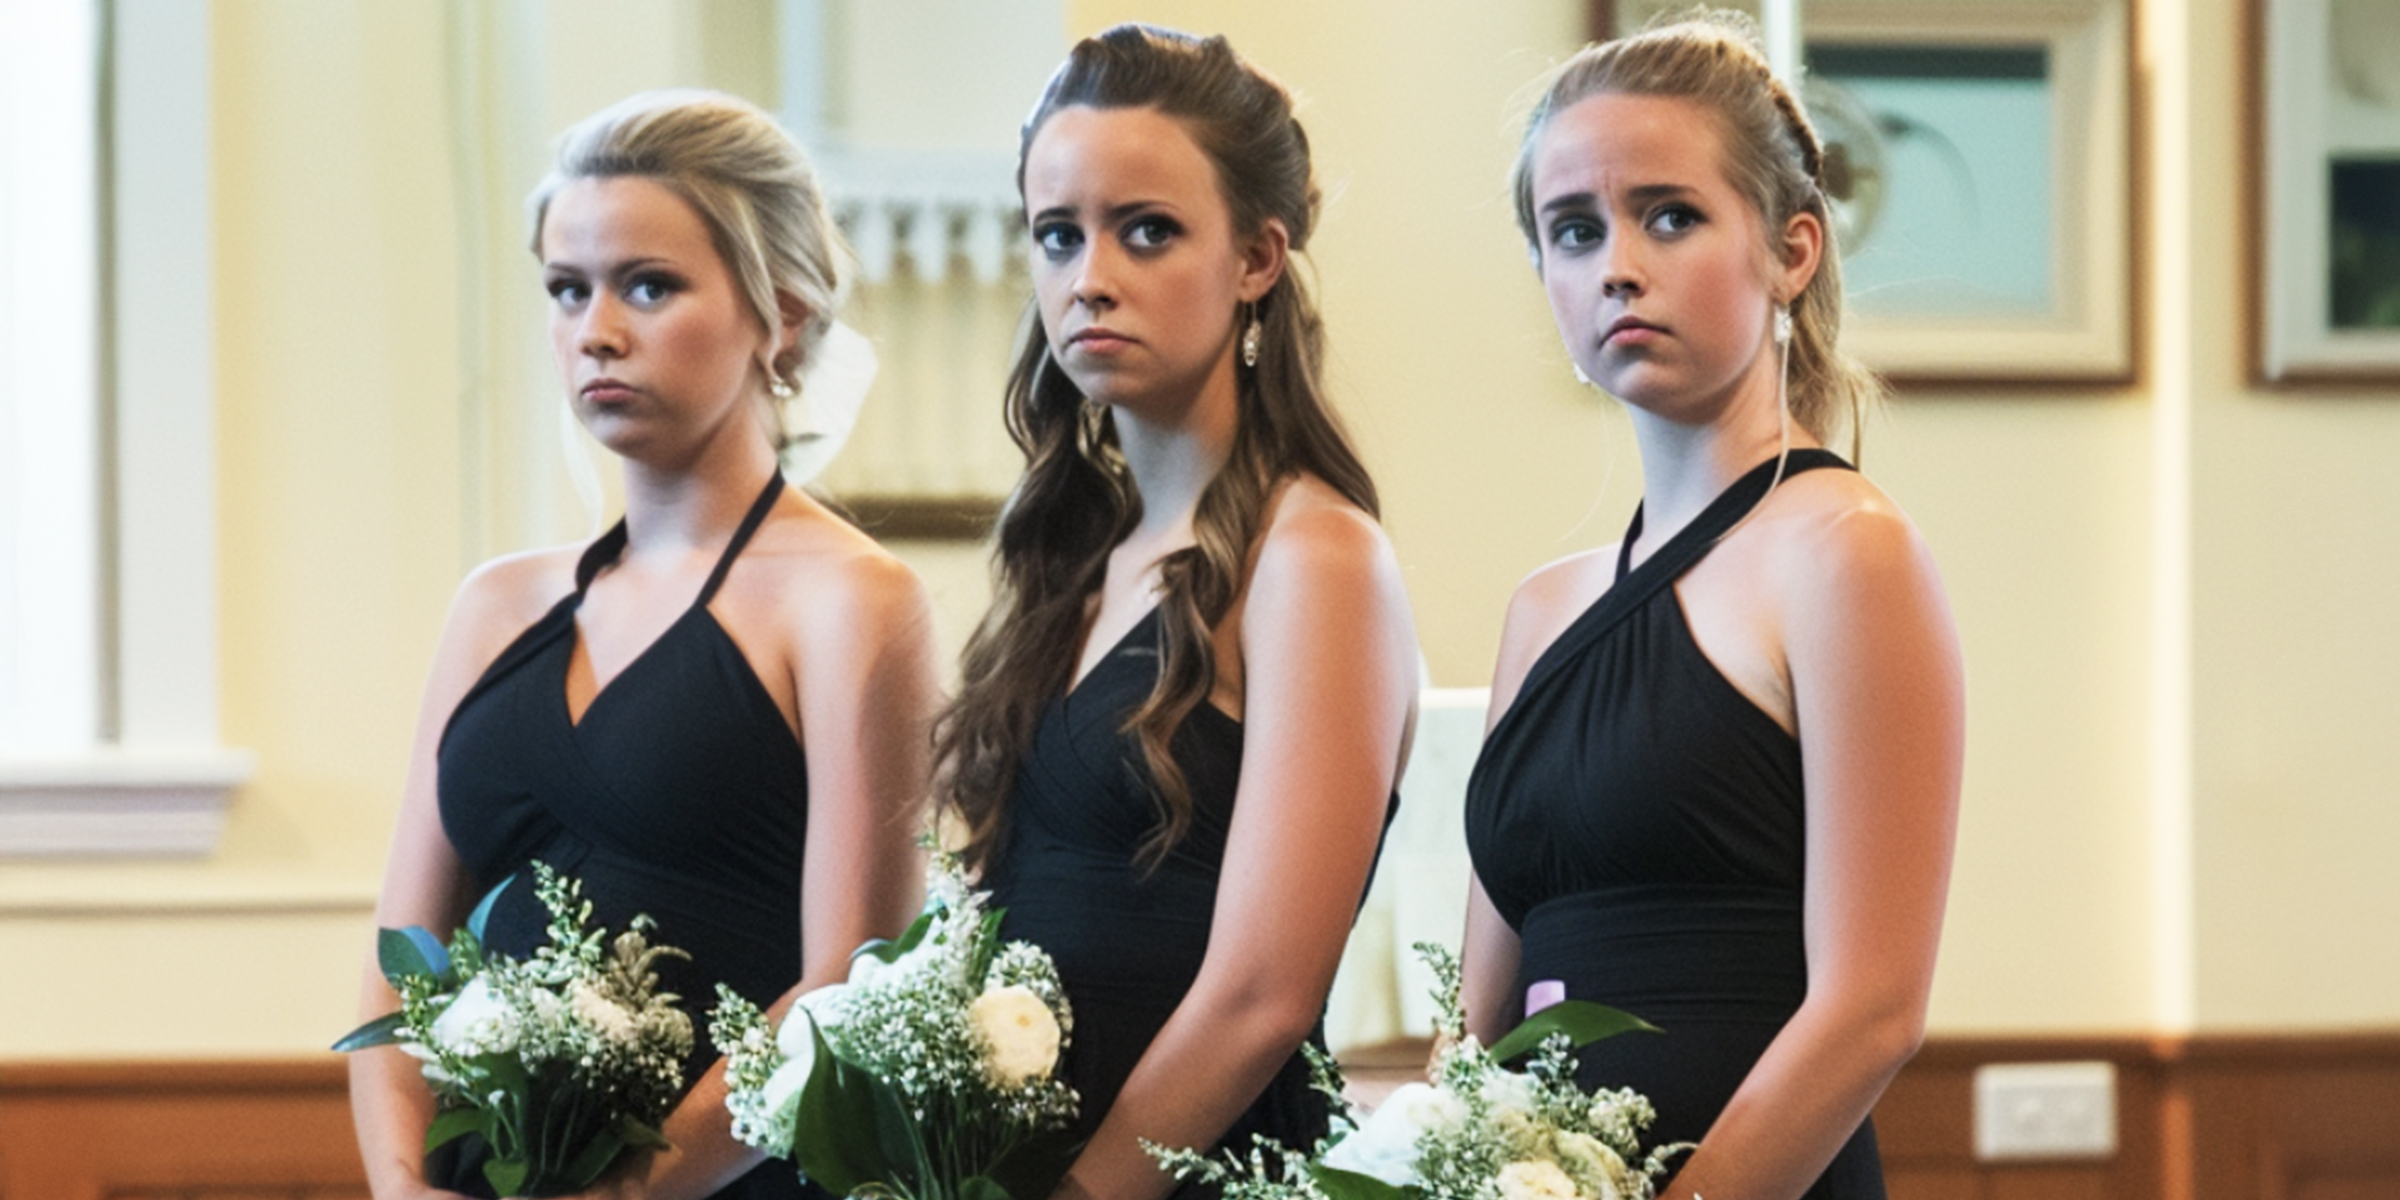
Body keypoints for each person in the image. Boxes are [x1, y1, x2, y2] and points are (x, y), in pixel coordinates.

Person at [350, 90, 938, 1200]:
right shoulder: (498, 604)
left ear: (786, 318)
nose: (597, 331)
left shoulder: (852, 599)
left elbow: (844, 982)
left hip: (726, 1180)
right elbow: (400, 971)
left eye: (649, 287)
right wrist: (399, 1186)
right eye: (567, 291)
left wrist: (625, 1191)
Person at [1459, 14, 1964, 1200]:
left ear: (1790, 250)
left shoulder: (1847, 555)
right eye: (1573, 231)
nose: (1616, 264)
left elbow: (1873, 1009)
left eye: (1670, 216)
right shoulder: (1541, 609)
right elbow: (1474, 1020)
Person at [931, 25, 1417, 1200]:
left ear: (1256, 258)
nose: (1090, 275)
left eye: (1146, 231)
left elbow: (1265, 995)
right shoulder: (1077, 554)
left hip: (1191, 1165)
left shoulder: (1315, 557)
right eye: (1060, 235)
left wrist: (1087, 1192)